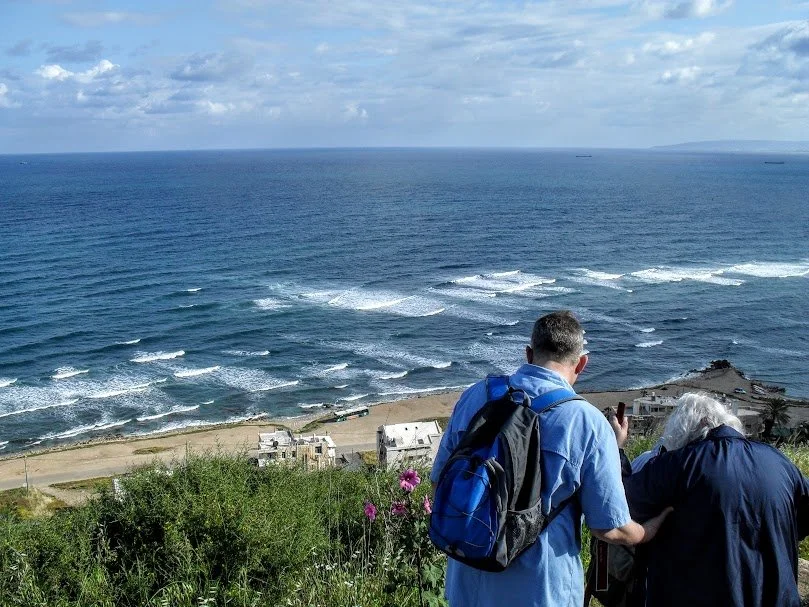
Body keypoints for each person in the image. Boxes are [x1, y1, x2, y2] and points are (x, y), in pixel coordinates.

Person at [430, 310, 671, 607]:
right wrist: (647, 532)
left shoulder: (476, 396)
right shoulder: (587, 422)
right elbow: (609, 526)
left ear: (529, 353)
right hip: (540, 592)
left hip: (469, 585)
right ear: (582, 362)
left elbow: (439, 481)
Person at [620, 392, 809, 607]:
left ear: (684, 429)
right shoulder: (778, 461)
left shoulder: (677, 465)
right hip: (776, 596)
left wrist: (617, 450)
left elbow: (620, 505)